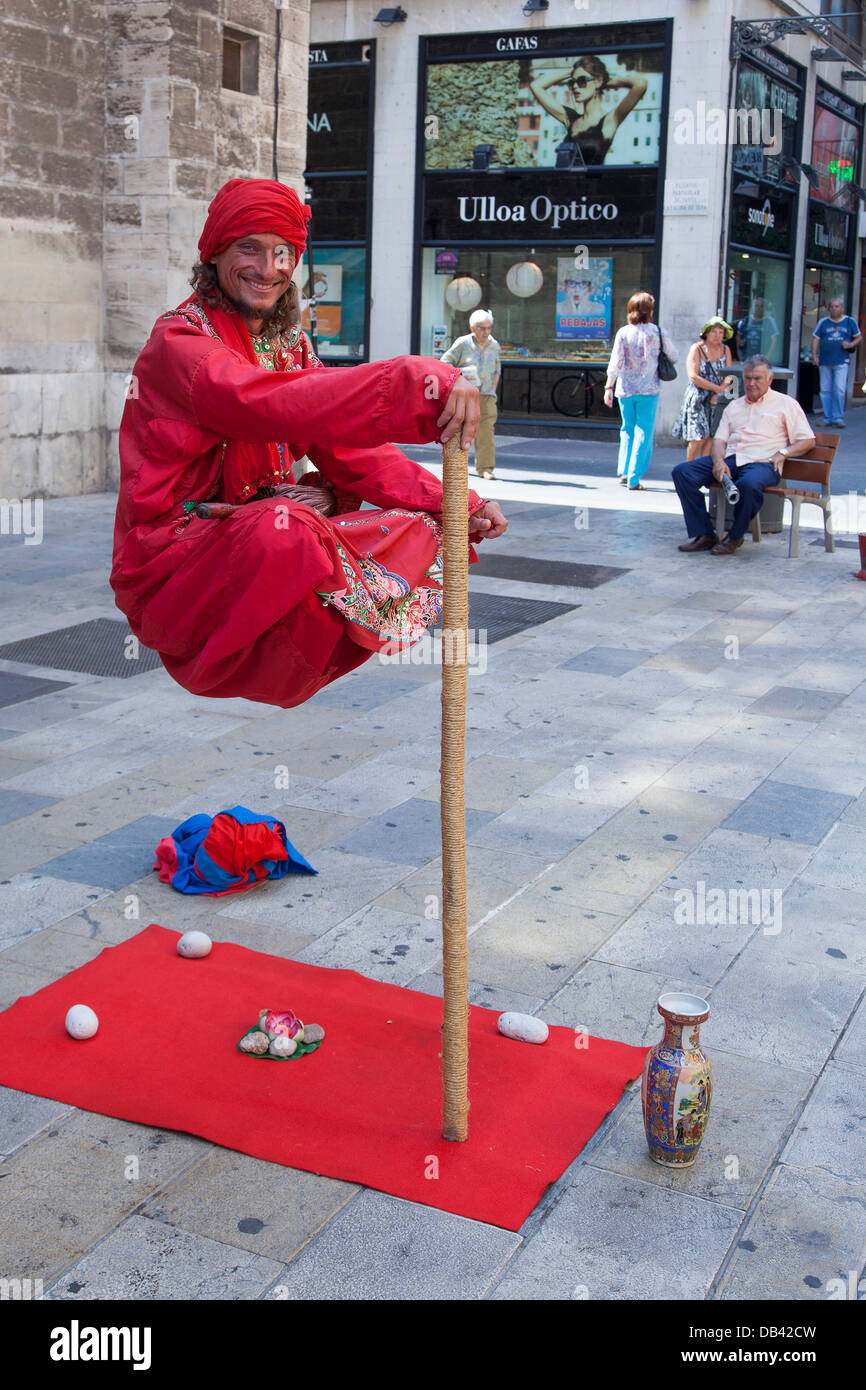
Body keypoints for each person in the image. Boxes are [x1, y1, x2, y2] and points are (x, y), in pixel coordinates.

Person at [110, 178, 507, 710]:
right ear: (214, 254)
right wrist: (415, 383)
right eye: (248, 248)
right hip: (176, 560)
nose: (268, 268)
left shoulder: (289, 345)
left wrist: (461, 504)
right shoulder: (178, 343)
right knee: (291, 533)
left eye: (283, 253)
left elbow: (348, 448)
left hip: (248, 542)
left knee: (419, 527)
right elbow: (264, 403)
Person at [672, 355, 815, 555]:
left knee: (748, 485)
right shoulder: (734, 406)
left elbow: (808, 440)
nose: (751, 383)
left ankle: (735, 537)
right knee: (682, 472)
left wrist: (783, 453)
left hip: (763, 462)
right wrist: (718, 461)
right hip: (732, 459)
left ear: (769, 380)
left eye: (757, 378)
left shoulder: (786, 404)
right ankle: (705, 534)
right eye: (747, 378)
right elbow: (719, 441)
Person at [604, 291, 677, 490]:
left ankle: (624, 471)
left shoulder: (623, 332)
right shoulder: (658, 332)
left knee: (627, 428)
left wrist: (608, 386)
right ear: (650, 310)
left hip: (625, 389)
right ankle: (634, 478)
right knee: (643, 431)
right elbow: (674, 355)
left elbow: (616, 362)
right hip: (648, 389)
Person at [529, 57, 647, 165]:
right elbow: (536, 86)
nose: (575, 87)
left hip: (592, 186)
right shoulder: (570, 119)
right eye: (572, 82)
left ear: (597, 81)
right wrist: (572, 71)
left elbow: (640, 84)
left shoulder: (609, 121)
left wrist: (604, 82)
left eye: (582, 81)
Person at [440, 309, 501, 479]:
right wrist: (461, 375)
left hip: (487, 395)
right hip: (466, 395)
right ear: (472, 328)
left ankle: (486, 468)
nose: (486, 332)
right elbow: (445, 362)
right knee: (459, 430)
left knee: (486, 431)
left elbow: (497, 369)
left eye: (489, 328)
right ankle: (457, 468)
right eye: (482, 328)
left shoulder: (494, 345)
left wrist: (493, 391)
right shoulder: (463, 343)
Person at [672, 317, 735, 461]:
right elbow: (693, 375)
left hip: (717, 399)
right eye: (714, 331)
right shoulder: (697, 348)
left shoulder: (726, 350)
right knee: (698, 436)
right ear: (706, 332)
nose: (717, 335)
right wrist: (716, 389)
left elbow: (729, 374)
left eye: (720, 332)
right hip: (698, 397)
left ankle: (701, 470)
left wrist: (721, 390)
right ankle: (689, 466)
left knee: (711, 437)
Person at [811, 297, 862, 427]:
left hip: (841, 361)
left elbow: (859, 337)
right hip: (825, 361)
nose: (834, 309)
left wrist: (850, 344)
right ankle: (827, 417)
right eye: (832, 306)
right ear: (829, 308)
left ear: (842, 308)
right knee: (825, 390)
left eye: (837, 306)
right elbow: (816, 338)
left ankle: (838, 417)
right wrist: (814, 355)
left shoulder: (849, 321)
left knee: (839, 389)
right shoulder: (823, 322)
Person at [736, 298, 778, 362]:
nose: (758, 308)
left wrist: (768, 356)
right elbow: (738, 336)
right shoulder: (746, 320)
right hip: (746, 359)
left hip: (762, 360)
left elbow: (774, 340)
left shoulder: (769, 321)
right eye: (756, 306)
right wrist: (739, 353)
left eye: (761, 306)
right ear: (753, 307)